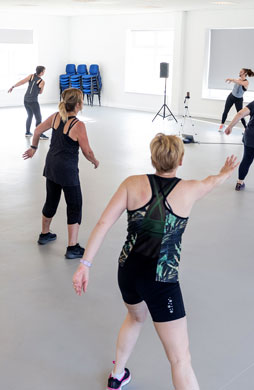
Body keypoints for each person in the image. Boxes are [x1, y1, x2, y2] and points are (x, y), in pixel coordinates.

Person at [72, 134, 238, 390]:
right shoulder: (190, 188)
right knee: (180, 359)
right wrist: (225, 171)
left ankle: (117, 375)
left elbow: (104, 223)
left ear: (153, 159)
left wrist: (85, 264)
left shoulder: (131, 183)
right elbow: (212, 182)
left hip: (128, 272)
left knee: (135, 318)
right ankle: (118, 373)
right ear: (180, 160)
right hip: (161, 281)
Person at [22, 88, 99, 259]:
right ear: (78, 104)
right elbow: (87, 151)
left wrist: (33, 148)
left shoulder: (56, 116)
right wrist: (95, 161)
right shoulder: (78, 125)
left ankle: (44, 234)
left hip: (51, 166)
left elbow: (37, 131)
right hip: (67, 171)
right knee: (75, 205)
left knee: (51, 200)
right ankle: (72, 247)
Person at [8, 65, 49, 139]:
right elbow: (40, 92)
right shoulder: (42, 81)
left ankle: (27, 132)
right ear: (42, 72)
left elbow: (22, 82)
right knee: (38, 118)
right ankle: (39, 134)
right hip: (33, 101)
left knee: (29, 115)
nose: (44, 72)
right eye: (44, 71)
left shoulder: (31, 76)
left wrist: (13, 86)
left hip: (26, 100)